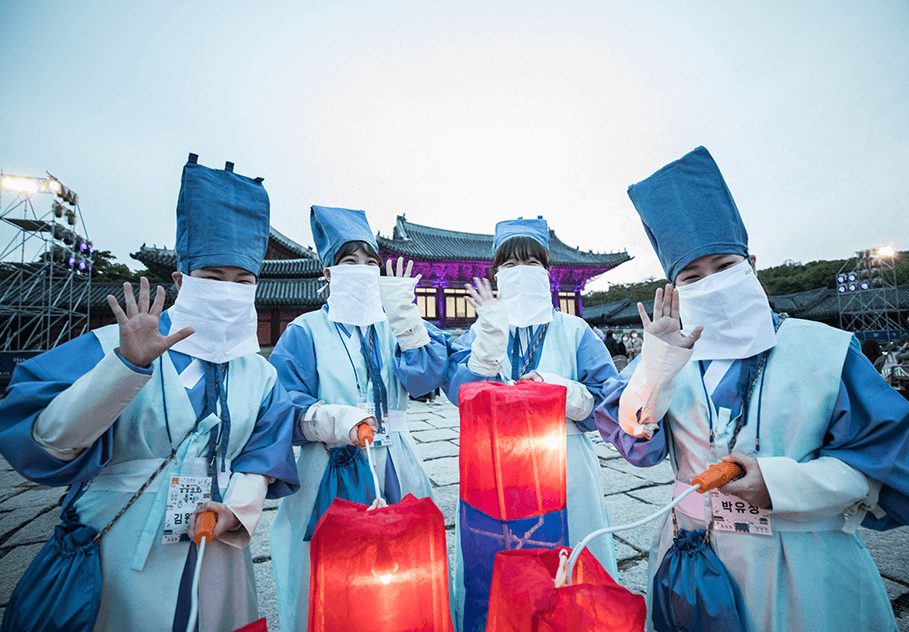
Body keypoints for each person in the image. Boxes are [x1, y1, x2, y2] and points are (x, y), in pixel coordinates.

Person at [595, 146, 909, 632]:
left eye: (723, 266)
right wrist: (656, 367)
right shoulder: (668, 355)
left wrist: (782, 484)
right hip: (692, 551)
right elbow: (639, 445)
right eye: (692, 276)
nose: (711, 283)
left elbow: (881, 462)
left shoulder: (825, 351)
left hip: (804, 561)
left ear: (752, 264)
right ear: (674, 287)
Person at [0, 155, 300, 632]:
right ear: (180, 280)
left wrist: (235, 512)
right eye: (213, 277)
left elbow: (263, 456)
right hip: (119, 533)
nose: (230, 289)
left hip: (214, 533)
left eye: (242, 281)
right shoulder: (108, 345)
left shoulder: (259, 374)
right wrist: (126, 367)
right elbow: (46, 439)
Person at [268, 206, 453, 631]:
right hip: (326, 463)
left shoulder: (395, 326)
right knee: (328, 580)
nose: (363, 269)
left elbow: (425, 382)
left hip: (397, 461)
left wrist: (407, 318)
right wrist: (330, 419)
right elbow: (283, 403)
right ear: (328, 272)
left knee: (404, 577)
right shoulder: (305, 330)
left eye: (371, 261)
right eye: (349, 261)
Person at [445, 217, 619, 632]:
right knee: (496, 559)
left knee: (573, 559)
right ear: (495, 276)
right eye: (508, 265)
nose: (520, 271)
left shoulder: (575, 330)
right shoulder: (480, 329)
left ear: (547, 271)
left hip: (567, 459)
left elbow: (607, 402)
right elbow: (459, 395)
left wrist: (561, 392)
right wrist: (486, 348)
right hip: (494, 464)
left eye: (530, 262)